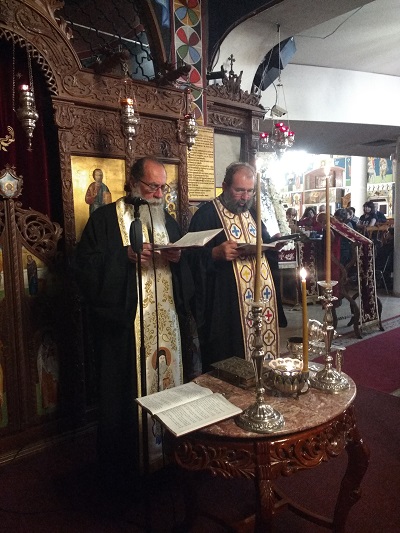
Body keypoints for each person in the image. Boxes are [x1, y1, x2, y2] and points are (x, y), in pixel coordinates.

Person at [75, 156, 194, 489]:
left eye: (163, 187)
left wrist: (178, 258)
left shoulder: (169, 222)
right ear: (132, 184)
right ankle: (126, 474)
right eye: (152, 186)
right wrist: (122, 257)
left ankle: (170, 459)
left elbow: (185, 280)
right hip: (126, 334)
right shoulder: (103, 220)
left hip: (167, 330)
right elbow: (84, 269)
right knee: (123, 401)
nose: (158, 194)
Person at [187, 162, 285, 373]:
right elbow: (189, 258)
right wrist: (214, 254)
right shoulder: (206, 215)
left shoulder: (253, 213)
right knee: (228, 364)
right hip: (225, 310)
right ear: (224, 186)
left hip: (259, 302)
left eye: (249, 191)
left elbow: (264, 243)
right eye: (239, 190)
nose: (245, 197)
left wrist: (274, 244)